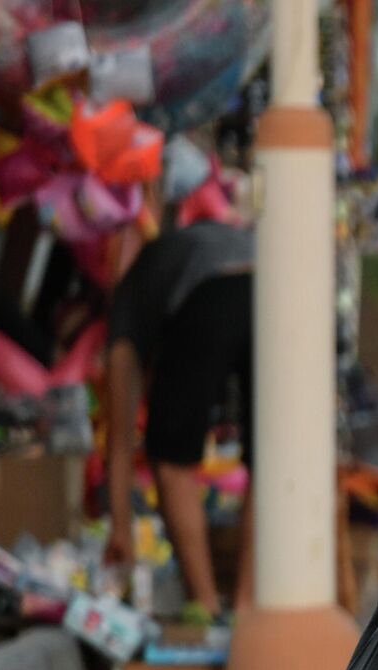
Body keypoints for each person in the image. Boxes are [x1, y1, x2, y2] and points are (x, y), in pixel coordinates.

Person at [102, 204, 254, 628]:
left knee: (170, 458)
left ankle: (205, 606)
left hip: (209, 291)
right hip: (275, 280)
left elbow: (119, 441)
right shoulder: (165, 261)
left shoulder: (124, 313)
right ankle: (248, 607)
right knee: (268, 457)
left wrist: (120, 532)